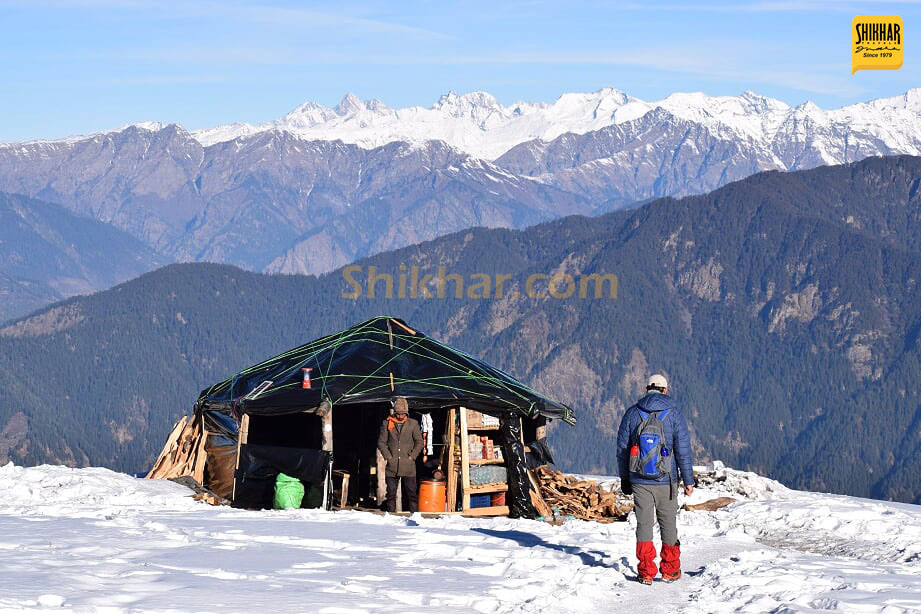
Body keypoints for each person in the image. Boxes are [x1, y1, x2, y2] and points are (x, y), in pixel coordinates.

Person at [616, 374, 695, 585]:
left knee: (644, 525)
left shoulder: (632, 413)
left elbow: (623, 450)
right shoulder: (674, 415)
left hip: (639, 480)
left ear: (646, 388)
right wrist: (688, 480)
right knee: (668, 524)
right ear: (665, 390)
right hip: (666, 480)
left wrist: (625, 478)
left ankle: (646, 572)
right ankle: (670, 570)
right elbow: (683, 451)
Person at [377, 396, 424, 513]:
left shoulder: (413, 424)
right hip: (392, 466)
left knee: (412, 493)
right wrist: (388, 456)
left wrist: (412, 456)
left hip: (408, 466)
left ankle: (414, 516)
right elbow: (381, 442)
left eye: (403, 413)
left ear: (406, 413)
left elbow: (419, 442)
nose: (400, 416)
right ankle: (392, 516)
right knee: (391, 494)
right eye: (398, 413)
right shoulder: (387, 423)